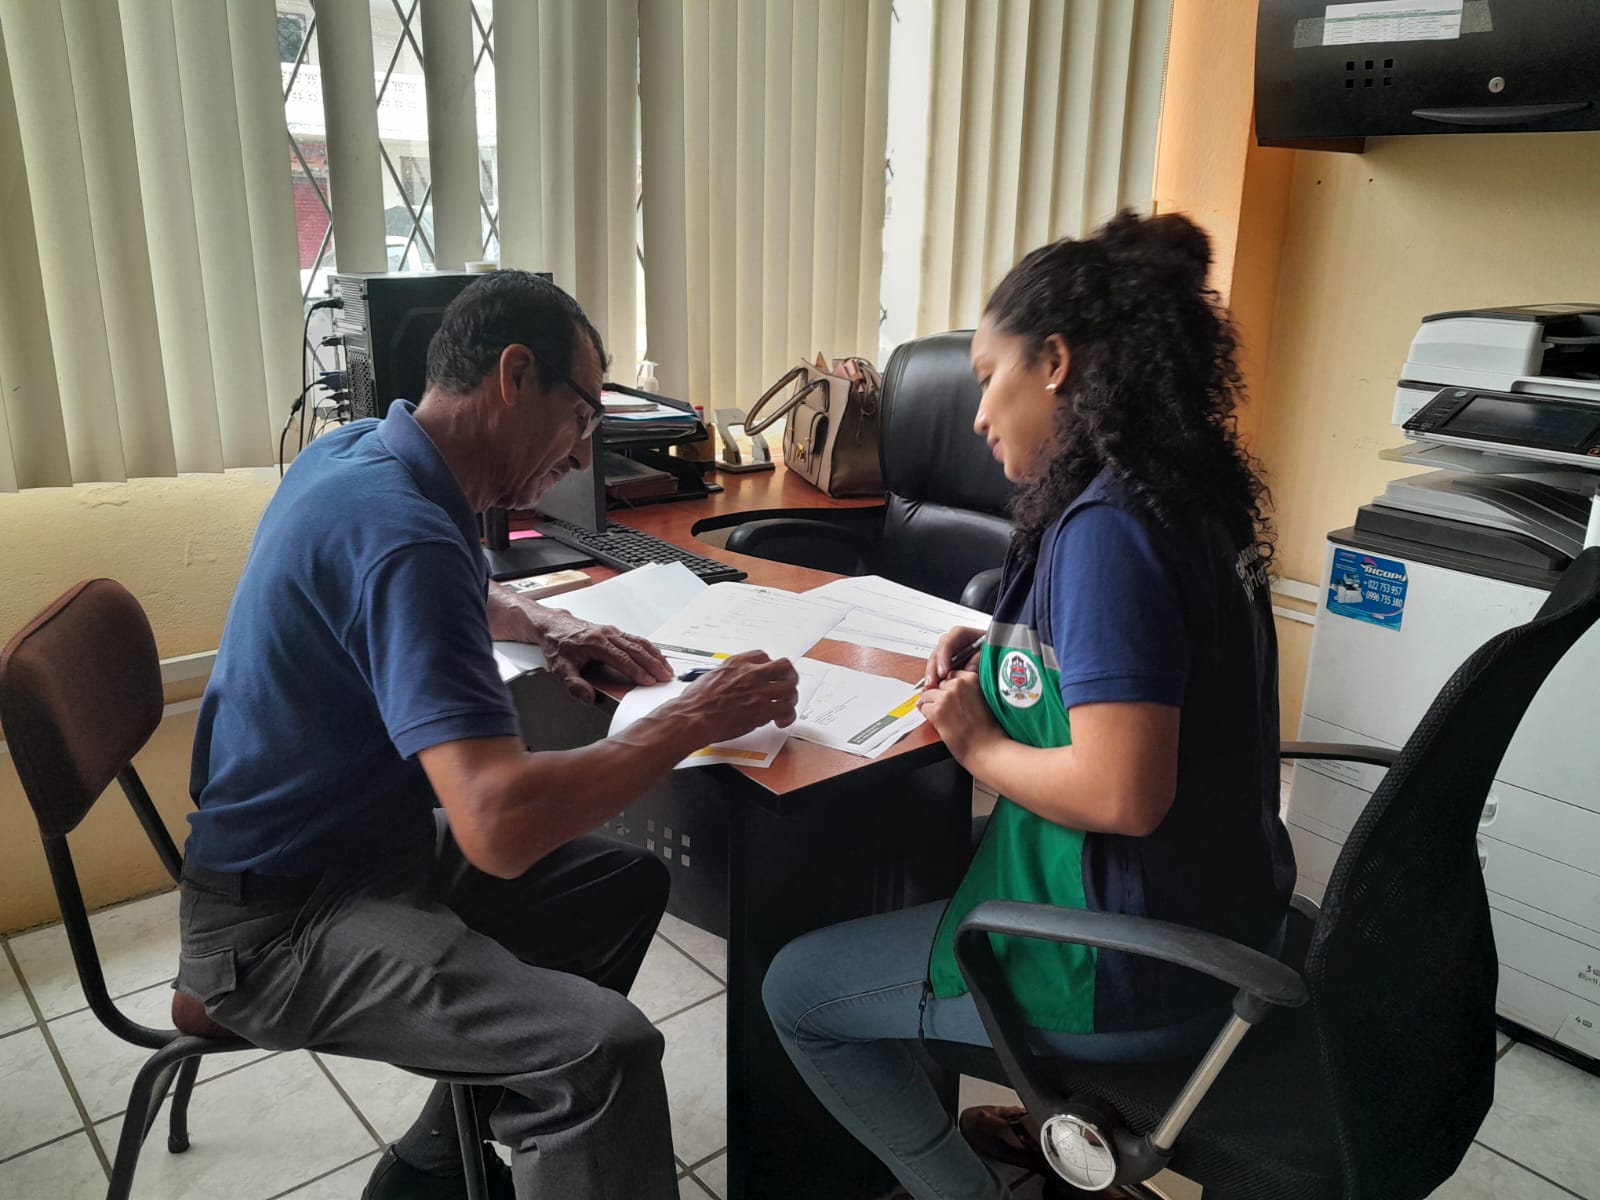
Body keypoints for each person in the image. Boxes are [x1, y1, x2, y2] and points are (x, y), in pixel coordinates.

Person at [177, 270, 799, 1200]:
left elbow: (457, 583)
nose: (582, 454)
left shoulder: (359, 454)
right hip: (279, 925)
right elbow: (499, 826)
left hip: (343, 853)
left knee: (624, 885)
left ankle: (434, 1165)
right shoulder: (405, 534)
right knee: (601, 1056)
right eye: (582, 417)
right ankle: (492, 1142)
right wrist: (694, 717)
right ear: (514, 376)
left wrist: (546, 621)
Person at [761, 211, 1293, 1200]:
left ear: (1053, 361)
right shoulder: (1177, 491)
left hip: (1128, 960)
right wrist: (1006, 654)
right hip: (1221, 911)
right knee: (897, 880)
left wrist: (974, 745)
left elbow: (1123, 792)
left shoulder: (1106, 528)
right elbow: (1148, 674)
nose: (976, 415)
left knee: (796, 991)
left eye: (985, 375)